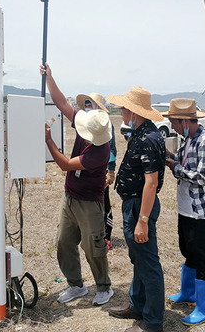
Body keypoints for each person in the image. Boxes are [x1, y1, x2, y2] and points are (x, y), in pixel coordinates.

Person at [40, 63, 114, 306]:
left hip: (90, 202)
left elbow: (64, 164)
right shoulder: (87, 124)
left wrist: (49, 141)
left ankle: (104, 287)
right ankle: (76, 285)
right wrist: (50, 77)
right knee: (63, 242)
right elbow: (61, 103)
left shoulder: (100, 151)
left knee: (93, 247)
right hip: (70, 197)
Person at [106, 86, 166, 332]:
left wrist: (142, 220)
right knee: (139, 259)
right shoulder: (141, 134)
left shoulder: (148, 138)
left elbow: (151, 183)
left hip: (139, 207)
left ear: (133, 111)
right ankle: (137, 305)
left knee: (148, 263)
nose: (121, 112)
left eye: (123, 108)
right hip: (133, 205)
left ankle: (152, 322)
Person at [162, 98, 205, 326]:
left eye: (174, 123)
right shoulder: (189, 140)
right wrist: (174, 160)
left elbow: (202, 176)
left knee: (203, 257)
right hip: (186, 208)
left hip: (199, 211)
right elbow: (186, 163)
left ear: (186, 121)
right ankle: (188, 293)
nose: (173, 127)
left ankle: (204, 307)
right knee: (187, 250)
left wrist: (176, 168)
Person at [76, 93, 117, 250]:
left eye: (90, 104)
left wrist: (111, 170)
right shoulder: (85, 123)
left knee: (103, 203)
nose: (87, 107)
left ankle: (106, 236)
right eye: (86, 104)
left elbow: (112, 148)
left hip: (102, 170)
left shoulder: (106, 124)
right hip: (87, 170)